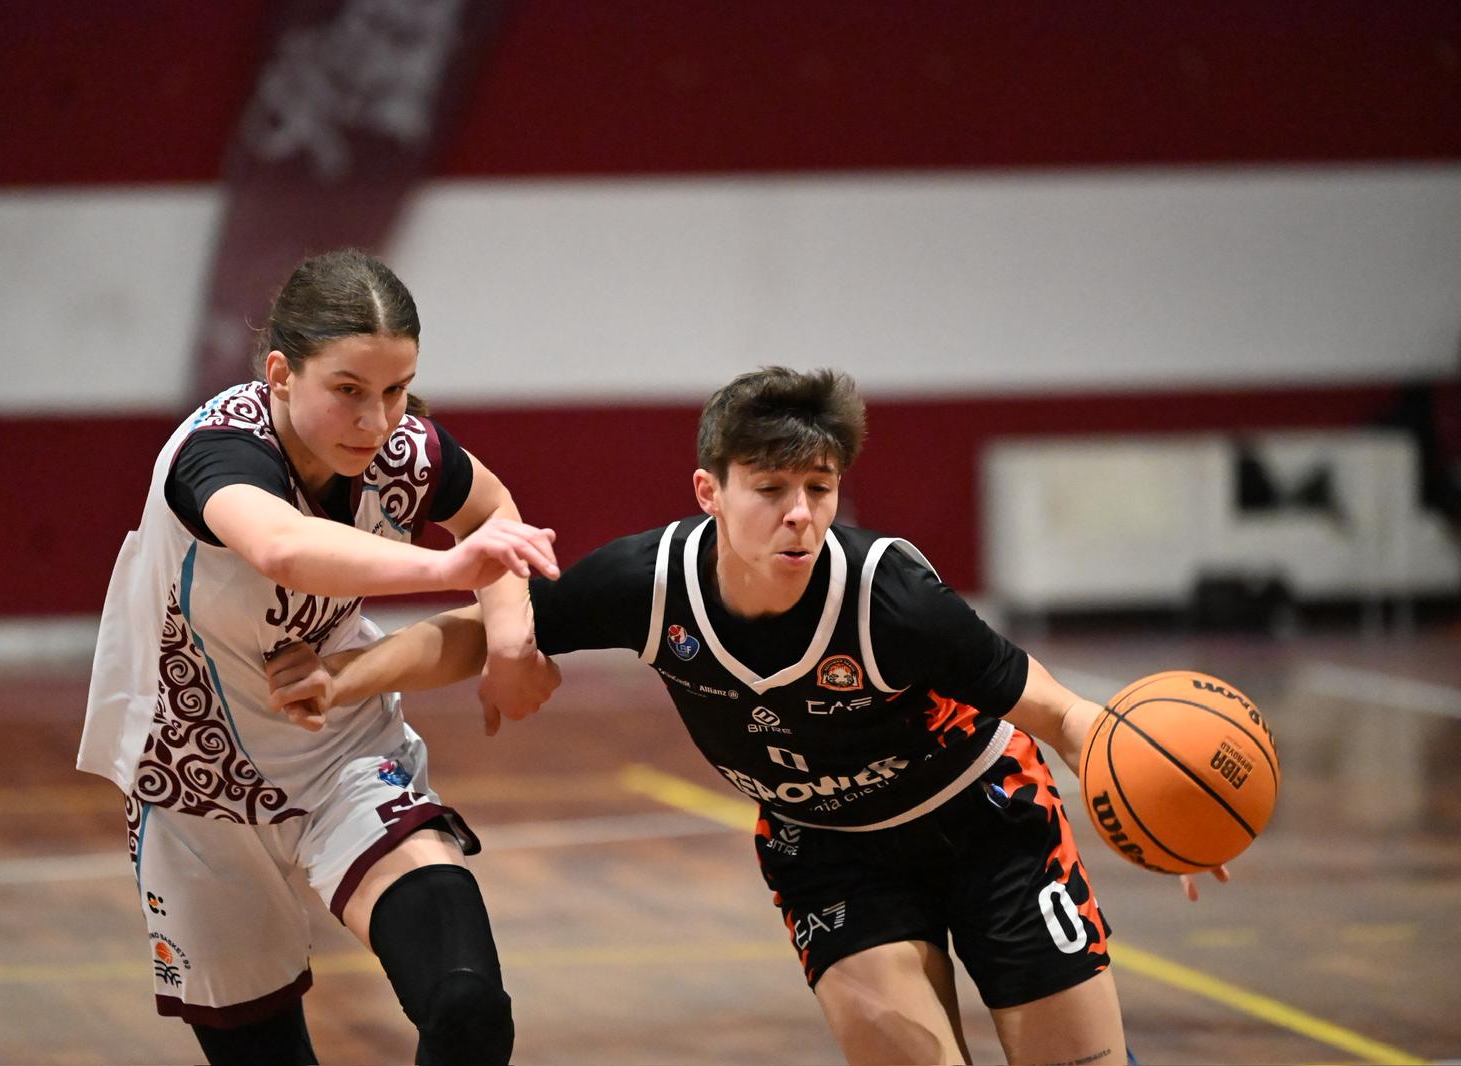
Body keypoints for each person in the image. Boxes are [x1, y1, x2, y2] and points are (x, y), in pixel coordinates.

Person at [266, 366, 1227, 1065]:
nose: (799, 513)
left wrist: (1156, 792)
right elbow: (477, 633)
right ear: (711, 493)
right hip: (831, 851)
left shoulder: (890, 600)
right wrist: (343, 678)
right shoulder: (650, 584)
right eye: (770, 490)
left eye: (819, 490)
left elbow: (1061, 713)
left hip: (986, 824)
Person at [77, 248, 561, 1066]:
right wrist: (447, 568)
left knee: (467, 1005)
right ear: (280, 373)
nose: (377, 421)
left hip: (341, 755)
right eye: (349, 390)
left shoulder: (401, 452)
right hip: (196, 782)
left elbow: (493, 514)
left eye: (397, 390)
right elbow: (282, 546)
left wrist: (510, 643)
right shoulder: (217, 450)